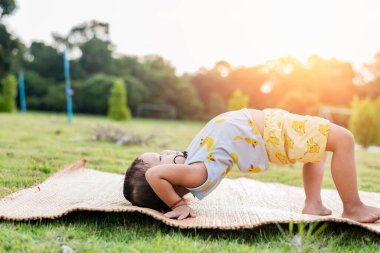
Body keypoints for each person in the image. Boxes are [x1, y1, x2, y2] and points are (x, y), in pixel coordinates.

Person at [123, 108, 380, 222]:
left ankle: (313, 204)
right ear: (169, 183)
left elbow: (156, 173)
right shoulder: (194, 173)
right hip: (270, 132)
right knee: (344, 139)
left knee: (317, 148)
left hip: (270, 130)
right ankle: (353, 206)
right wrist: (177, 204)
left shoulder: (193, 162)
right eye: (158, 157)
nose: (163, 154)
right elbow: (156, 175)